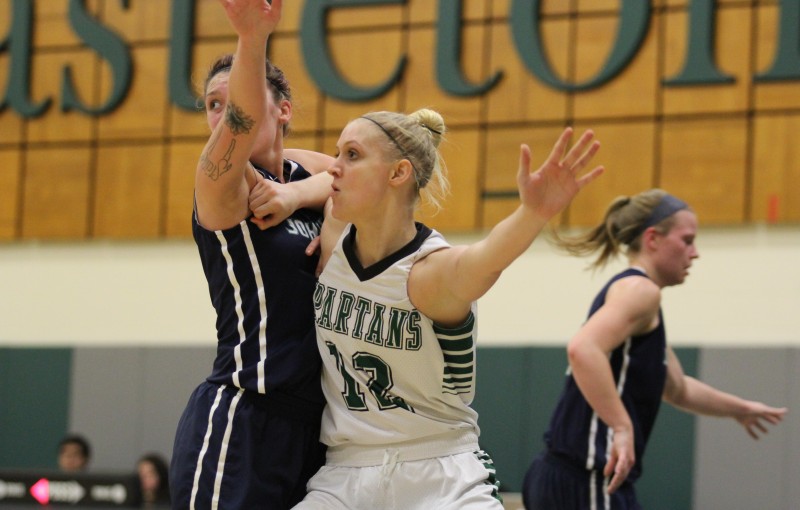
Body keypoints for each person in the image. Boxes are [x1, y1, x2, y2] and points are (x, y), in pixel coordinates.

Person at [291, 109, 604, 509]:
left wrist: (533, 214)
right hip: (345, 471)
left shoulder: (429, 273)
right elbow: (293, 159)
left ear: (399, 172)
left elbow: (488, 258)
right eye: (338, 153)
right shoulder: (336, 233)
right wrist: (291, 194)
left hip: (439, 470)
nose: (334, 167)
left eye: (351, 154)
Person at [521, 189, 789, 510]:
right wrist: (621, 426)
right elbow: (583, 348)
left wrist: (739, 409)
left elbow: (678, 389)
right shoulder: (641, 291)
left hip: (571, 477)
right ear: (653, 239)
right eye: (687, 240)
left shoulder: (639, 302)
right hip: (588, 478)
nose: (695, 253)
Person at [170, 1, 334, 508]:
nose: (221, 112)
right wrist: (253, 37)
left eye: (232, 96)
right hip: (243, 417)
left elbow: (365, 174)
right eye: (211, 104)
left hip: (315, 428)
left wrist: (295, 195)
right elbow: (241, 123)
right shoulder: (220, 183)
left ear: (284, 109)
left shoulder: (301, 173)